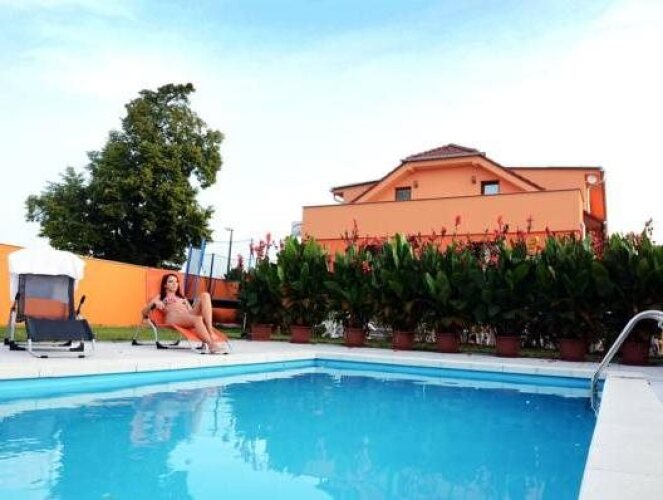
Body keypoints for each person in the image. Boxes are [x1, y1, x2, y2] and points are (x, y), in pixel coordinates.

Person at [143, 273, 226, 354]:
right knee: (197, 319)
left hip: (186, 316)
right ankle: (212, 345)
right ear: (165, 285)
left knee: (205, 295)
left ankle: (210, 331)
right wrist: (154, 303)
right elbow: (144, 312)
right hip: (173, 317)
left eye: (176, 282)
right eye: (171, 281)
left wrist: (188, 305)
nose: (174, 284)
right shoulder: (161, 296)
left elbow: (191, 311)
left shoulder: (182, 298)